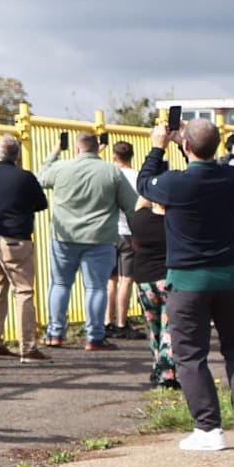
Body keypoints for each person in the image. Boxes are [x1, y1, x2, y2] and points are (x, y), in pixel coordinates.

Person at [139, 119, 234, 451]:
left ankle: (209, 428)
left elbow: (144, 183)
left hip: (188, 280)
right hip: (231, 277)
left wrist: (158, 145)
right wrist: (187, 145)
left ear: (185, 147)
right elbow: (204, 170)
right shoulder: (232, 177)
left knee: (190, 355)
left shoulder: (173, 185)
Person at [43, 131, 136, 351]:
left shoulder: (61, 168)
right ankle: (94, 337)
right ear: (98, 148)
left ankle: (55, 334)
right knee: (96, 288)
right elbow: (131, 205)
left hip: (64, 237)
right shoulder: (111, 171)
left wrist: (55, 151)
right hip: (100, 238)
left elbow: (41, 176)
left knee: (59, 284)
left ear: (76, 148)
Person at [0, 134, 48, 359]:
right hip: (16, 240)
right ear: (17, 156)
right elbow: (41, 204)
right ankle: (28, 347)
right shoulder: (25, 177)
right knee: (23, 292)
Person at [126, 184, 177, 389]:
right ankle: (167, 374)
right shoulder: (173, 222)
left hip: (144, 281)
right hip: (167, 279)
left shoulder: (138, 220)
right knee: (169, 328)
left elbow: (139, 204)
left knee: (154, 327)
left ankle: (156, 366)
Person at [105, 141, 139, 339]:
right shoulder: (136, 177)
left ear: (114, 156)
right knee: (127, 279)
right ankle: (121, 322)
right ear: (132, 155)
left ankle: (106, 321)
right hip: (129, 232)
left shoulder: (109, 175)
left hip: (109, 232)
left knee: (111, 280)